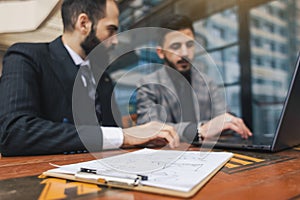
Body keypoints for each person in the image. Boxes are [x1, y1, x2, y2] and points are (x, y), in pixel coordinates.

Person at [0, 0, 179, 156]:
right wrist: (124, 135)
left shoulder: (104, 78)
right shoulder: (27, 57)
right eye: (111, 30)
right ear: (84, 23)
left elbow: (112, 133)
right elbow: (14, 132)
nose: (115, 41)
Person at [136, 14, 252, 143]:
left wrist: (230, 122)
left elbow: (223, 120)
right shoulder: (148, 84)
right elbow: (150, 129)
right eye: (176, 46)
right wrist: (199, 130)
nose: (185, 53)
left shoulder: (207, 82)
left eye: (190, 44)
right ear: (161, 52)